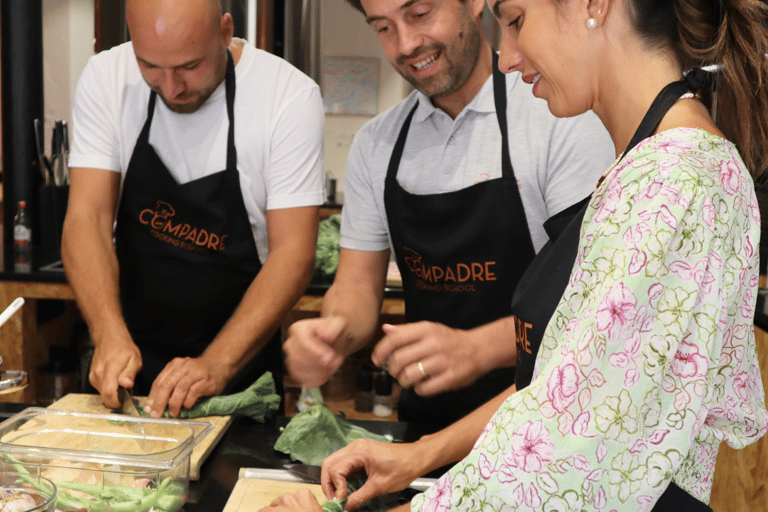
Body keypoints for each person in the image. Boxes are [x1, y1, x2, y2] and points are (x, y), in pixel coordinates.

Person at [265, 0, 768, 510]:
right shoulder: (643, 169)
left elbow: (557, 464)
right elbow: (558, 395)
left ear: (594, 5)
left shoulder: (674, 184)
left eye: (517, 20)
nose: (506, 58)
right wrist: (419, 457)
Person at [283, 0, 614, 429]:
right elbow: (357, 285)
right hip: (425, 426)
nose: (405, 44)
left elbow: (588, 299)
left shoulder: (556, 116)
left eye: (420, 14)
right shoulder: (376, 145)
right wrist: (330, 337)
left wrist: (477, 348)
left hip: (539, 423)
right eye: (383, 28)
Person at [62, 0, 325, 418]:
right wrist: (108, 333)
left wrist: (218, 363)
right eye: (150, 66)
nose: (171, 88)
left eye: (189, 67)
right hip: (129, 375)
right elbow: (87, 220)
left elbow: (293, 252)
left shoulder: (287, 97)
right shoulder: (106, 77)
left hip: (238, 376)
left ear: (225, 32)